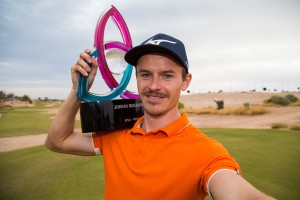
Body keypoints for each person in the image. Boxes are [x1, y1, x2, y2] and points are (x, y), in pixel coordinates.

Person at [45, 33, 274, 200]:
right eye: (145, 74)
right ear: (136, 78)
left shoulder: (206, 151)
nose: (154, 86)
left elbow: (237, 192)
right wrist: (79, 90)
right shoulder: (117, 131)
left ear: (185, 81)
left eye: (166, 76)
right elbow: (57, 141)